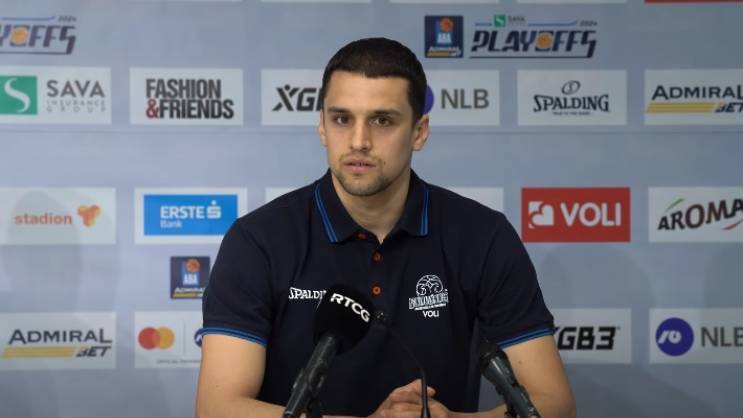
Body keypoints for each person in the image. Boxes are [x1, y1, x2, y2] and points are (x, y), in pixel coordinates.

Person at [196, 37, 576, 418]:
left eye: (382, 121)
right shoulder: (258, 241)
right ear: (322, 127)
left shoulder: (482, 236)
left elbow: (554, 404)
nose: (359, 141)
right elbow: (218, 409)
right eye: (342, 119)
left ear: (419, 132)